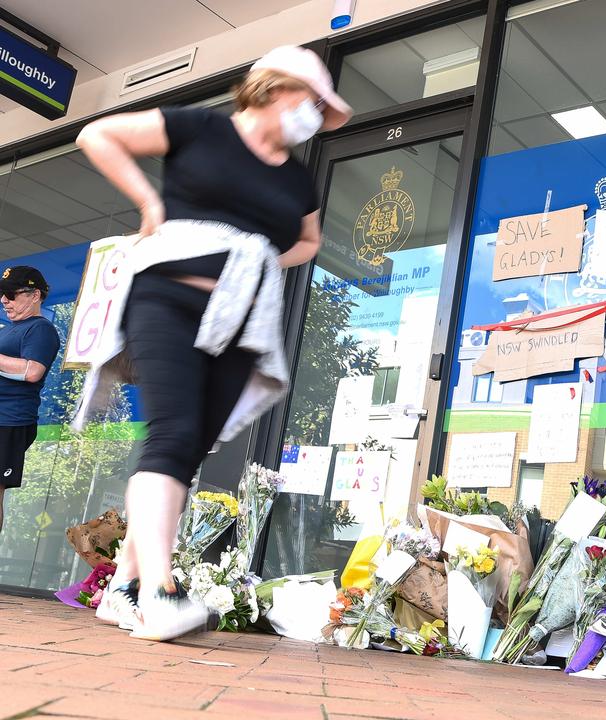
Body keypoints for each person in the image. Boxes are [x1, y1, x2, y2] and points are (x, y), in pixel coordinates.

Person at [73, 46, 351, 641]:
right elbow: (98, 136)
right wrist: (150, 203)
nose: (314, 116)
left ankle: (122, 587)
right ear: (277, 88)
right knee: (172, 435)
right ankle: (159, 593)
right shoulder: (200, 128)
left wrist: (256, 259)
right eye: (312, 101)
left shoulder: (298, 176)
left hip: (241, 318)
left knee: (189, 448)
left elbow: (308, 240)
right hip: (167, 297)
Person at [0, 266, 60, 531]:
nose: (4, 300)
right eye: (2, 294)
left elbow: (33, 371)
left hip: (9, 420)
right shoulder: (7, 330)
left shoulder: (40, 329)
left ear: (35, 295)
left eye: (11, 294)